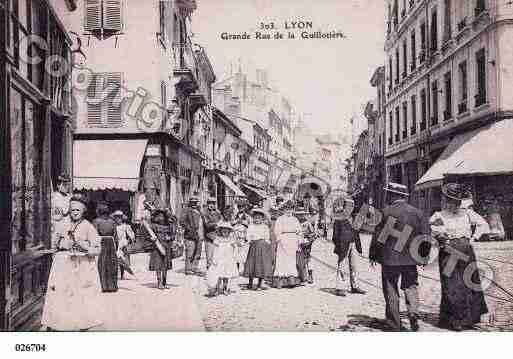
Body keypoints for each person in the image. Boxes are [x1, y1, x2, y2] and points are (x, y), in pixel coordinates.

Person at [369, 182, 431, 332]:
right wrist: (423, 255)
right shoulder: (418, 213)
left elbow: (378, 237)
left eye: (388, 193)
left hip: (389, 259)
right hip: (410, 259)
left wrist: (373, 255)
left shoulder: (385, 212)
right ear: (404, 197)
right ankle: (413, 312)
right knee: (410, 285)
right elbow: (426, 237)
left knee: (390, 288)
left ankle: (394, 323)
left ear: (392, 195)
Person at [430, 183, 490, 331]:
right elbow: (433, 231)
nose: (453, 204)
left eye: (454, 201)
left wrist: (472, 238)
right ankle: (462, 318)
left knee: (454, 283)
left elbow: (484, 225)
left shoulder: (460, 214)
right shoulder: (443, 215)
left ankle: (458, 320)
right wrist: (471, 238)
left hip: (453, 250)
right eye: (451, 201)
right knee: (460, 282)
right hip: (459, 249)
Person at [41, 193, 103, 331]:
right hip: (63, 264)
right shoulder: (63, 224)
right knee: (61, 293)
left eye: (78, 210)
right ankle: (59, 322)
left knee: (79, 294)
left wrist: (84, 246)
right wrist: (61, 244)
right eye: (72, 210)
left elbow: (97, 249)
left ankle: (79, 322)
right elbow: (54, 243)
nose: (74, 213)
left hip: (81, 266)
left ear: (84, 211)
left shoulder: (88, 226)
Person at [332, 196, 366, 296]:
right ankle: (340, 288)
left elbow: (357, 232)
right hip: (343, 244)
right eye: (349, 206)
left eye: (352, 206)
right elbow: (335, 234)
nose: (351, 207)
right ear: (345, 206)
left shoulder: (354, 217)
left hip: (353, 243)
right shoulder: (339, 217)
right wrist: (338, 245)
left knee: (354, 265)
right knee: (342, 265)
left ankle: (355, 286)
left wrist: (358, 246)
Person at [273, 200, 302, 288]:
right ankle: (280, 280)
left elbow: (299, 231)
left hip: (292, 241)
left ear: (293, 210)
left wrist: (299, 241)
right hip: (283, 240)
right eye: (287, 209)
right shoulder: (280, 219)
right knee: (281, 260)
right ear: (284, 210)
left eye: (291, 209)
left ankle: (291, 278)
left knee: (291, 260)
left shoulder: (295, 220)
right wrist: (280, 239)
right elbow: (277, 231)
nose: (289, 211)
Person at [243, 207, 274, 290]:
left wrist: (266, 243)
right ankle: (250, 282)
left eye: (259, 218)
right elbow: (248, 236)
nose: (257, 220)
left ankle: (259, 284)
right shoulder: (251, 226)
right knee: (251, 264)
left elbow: (267, 237)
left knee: (261, 265)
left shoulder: (264, 227)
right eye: (255, 218)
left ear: (262, 219)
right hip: (253, 246)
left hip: (262, 246)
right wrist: (250, 240)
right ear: (253, 218)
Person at [205, 221, 239, 296]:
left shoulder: (231, 240)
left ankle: (225, 288)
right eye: (223, 232)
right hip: (220, 259)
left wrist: (234, 257)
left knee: (226, 275)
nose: (225, 233)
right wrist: (214, 259)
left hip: (228, 259)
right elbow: (215, 250)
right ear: (220, 232)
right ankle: (217, 289)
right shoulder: (218, 240)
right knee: (219, 275)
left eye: (227, 232)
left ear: (229, 232)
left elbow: (234, 248)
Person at [146, 209, 176, 289]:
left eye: (162, 216)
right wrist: (151, 238)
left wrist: (170, 237)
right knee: (158, 265)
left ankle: (164, 282)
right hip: (157, 247)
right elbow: (146, 235)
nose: (161, 218)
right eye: (159, 216)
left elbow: (173, 235)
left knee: (165, 266)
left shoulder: (169, 226)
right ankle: (159, 282)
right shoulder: (153, 226)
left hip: (167, 247)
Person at [93, 202, 118, 293]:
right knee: (112, 264)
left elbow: (94, 235)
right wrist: (116, 246)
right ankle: (112, 286)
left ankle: (103, 286)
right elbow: (116, 236)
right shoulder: (112, 222)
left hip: (101, 242)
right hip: (111, 243)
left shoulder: (96, 221)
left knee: (102, 264)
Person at [180, 196, 204, 275]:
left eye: (195, 202)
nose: (194, 203)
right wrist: (189, 228)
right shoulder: (186, 210)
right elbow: (182, 221)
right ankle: (188, 268)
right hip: (190, 235)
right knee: (190, 252)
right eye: (192, 202)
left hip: (199, 234)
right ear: (190, 202)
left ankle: (194, 267)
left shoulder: (199, 211)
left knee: (197, 253)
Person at [112, 210, 135, 280]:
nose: (118, 219)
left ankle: (122, 274)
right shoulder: (113, 226)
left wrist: (127, 242)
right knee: (115, 260)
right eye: (116, 218)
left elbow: (132, 236)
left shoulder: (126, 226)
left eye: (119, 218)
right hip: (115, 243)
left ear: (122, 218)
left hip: (123, 244)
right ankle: (115, 274)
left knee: (122, 260)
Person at [296, 208, 317, 284]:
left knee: (307, 259)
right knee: (299, 260)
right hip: (298, 243)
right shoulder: (296, 223)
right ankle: (301, 276)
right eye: (298, 215)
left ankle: (310, 275)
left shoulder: (308, 223)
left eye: (302, 214)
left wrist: (308, 240)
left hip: (306, 243)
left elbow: (314, 234)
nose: (300, 216)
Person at [203, 197, 223, 270]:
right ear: (207, 204)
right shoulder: (205, 213)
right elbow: (207, 224)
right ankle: (208, 273)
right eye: (210, 203)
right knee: (209, 257)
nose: (212, 205)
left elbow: (222, 221)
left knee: (217, 257)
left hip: (217, 237)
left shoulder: (218, 212)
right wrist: (217, 224)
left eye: (213, 203)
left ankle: (216, 273)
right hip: (209, 237)